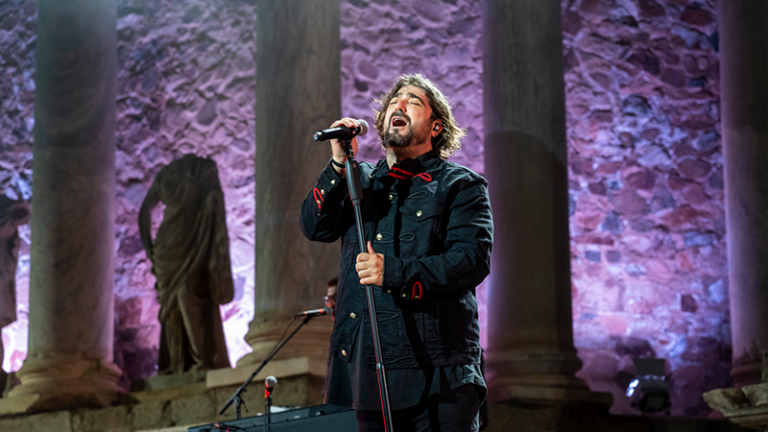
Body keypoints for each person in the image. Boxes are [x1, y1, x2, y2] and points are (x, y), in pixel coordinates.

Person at [300, 74, 493, 432]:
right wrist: (339, 166)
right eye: (393, 103)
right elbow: (315, 227)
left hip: (439, 370)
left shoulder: (461, 185)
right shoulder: (362, 180)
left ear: (436, 127)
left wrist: (395, 272)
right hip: (369, 371)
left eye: (413, 102)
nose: (399, 106)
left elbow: (471, 261)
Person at [139, 154, 234, 374]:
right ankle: (177, 363)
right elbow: (144, 212)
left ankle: (202, 361)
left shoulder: (201, 169)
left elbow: (144, 213)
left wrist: (149, 248)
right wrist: (150, 251)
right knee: (172, 306)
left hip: (192, 243)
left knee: (186, 294)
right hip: (167, 251)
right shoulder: (189, 171)